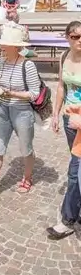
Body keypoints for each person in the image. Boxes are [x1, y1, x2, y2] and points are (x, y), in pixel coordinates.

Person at [0, 24, 39, 204]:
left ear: (16, 46)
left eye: (6, 44)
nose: (2, 46)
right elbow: (0, 85)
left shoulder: (28, 65)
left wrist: (12, 93)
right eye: (2, 43)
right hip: (2, 108)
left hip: (21, 110)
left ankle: (27, 177)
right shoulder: (1, 62)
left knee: (26, 148)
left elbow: (34, 94)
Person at [47, 20, 81, 239]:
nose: (80, 41)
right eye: (76, 36)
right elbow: (61, 86)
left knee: (75, 170)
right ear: (68, 37)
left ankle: (68, 219)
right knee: (77, 166)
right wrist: (56, 113)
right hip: (71, 121)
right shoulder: (64, 57)